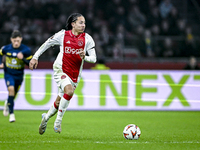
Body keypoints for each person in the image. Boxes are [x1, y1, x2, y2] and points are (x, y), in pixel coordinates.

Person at [29, 13, 97, 134]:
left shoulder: (87, 39)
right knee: (69, 91)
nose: (83, 25)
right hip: (60, 68)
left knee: (59, 101)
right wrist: (35, 57)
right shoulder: (62, 35)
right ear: (73, 24)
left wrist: (84, 57)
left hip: (75, 74)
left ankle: (45, 119)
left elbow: (94, 59)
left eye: (84, 23)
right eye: (81, 22)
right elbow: (47, 44)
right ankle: (58, 122)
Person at [0, 30, 32, 122]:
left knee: (13, 94)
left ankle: (8, 103)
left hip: (19, 75)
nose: (16, 43)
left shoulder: (26, 50)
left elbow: (31, 64)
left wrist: (23, 59)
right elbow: (0, 53)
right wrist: (1, 63)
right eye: (14, 41)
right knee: (11, 90)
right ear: (11, 40)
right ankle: (12, 115)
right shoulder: (6, 48)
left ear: (21, 39)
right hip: (9, 74)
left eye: (18, 41)